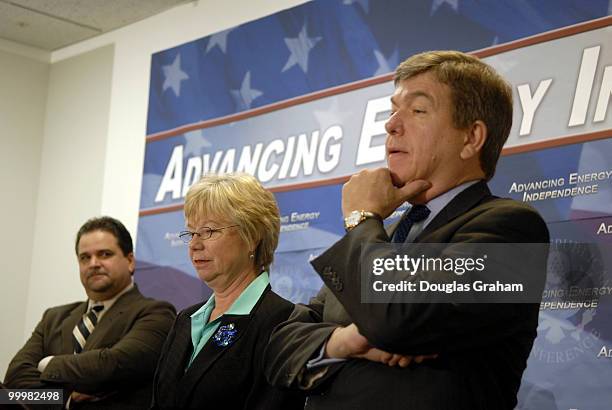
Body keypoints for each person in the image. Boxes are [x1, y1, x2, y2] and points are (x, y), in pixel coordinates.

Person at [264, 50, 550, 409]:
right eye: (392, 111)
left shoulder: (510, 228)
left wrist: (363, 217)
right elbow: (278, 349)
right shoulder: (378, 236)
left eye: (417, 110)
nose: (391, 125)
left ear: (471, 137)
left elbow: (395, 320)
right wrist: (344, 341)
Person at [151, 173, 304, 409]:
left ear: (251, 236)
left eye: (209, 231)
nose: (194, 244)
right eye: (191, 233)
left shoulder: (282, 322)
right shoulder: (185, 320)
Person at [3, 216, 176, 409]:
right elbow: (15, 380)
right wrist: (65, 399)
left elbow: (110, 367)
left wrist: (46, 363)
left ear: (130, 261)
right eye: (85, 257)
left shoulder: (156, 314)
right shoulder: (53, 317)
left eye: (104, 254)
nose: (93, 263)